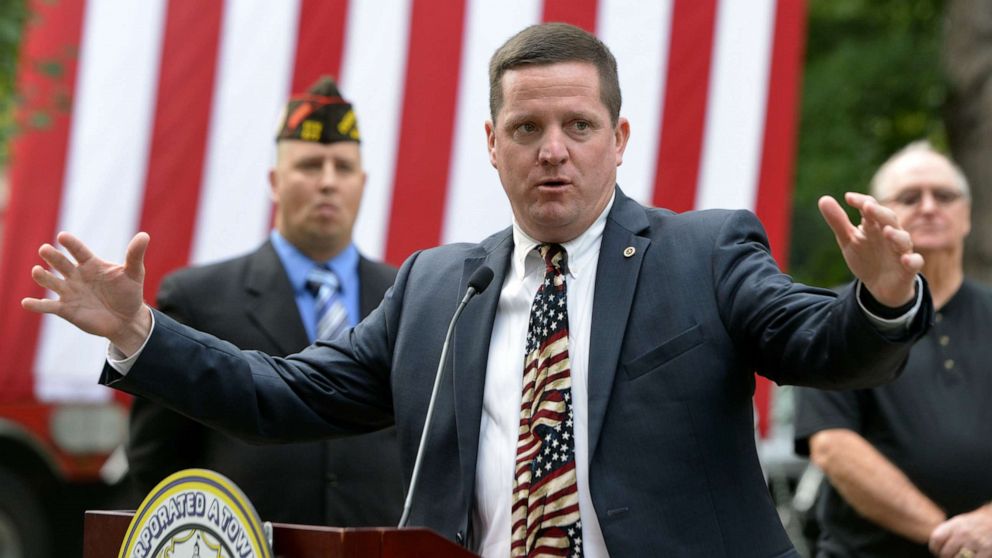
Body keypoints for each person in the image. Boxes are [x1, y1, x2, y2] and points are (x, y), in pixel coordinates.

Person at [24, 23, 933, 557]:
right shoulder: (437, 287)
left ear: (619, 138)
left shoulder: (705, 251)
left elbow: (821, 343)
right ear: (489, 143)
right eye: (527, 126)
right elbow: (283, 394)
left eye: (578, 125)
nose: (553, 149)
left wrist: (881, 301)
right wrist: (142, 332)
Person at [125, 76, 404, 526]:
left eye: (344, 167)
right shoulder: (200, 300)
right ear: (275, 181)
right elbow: (156, 462)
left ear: (364, 182)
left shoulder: (406, 298)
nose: (329, 182)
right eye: (311, 166)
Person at [794, 141, 992, 558]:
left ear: (967, 215)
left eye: (944, 195)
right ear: (878, 214)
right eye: (908, 197)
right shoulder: (839, 318)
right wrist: (953, 539)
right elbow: (833, 446)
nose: (928, 206)